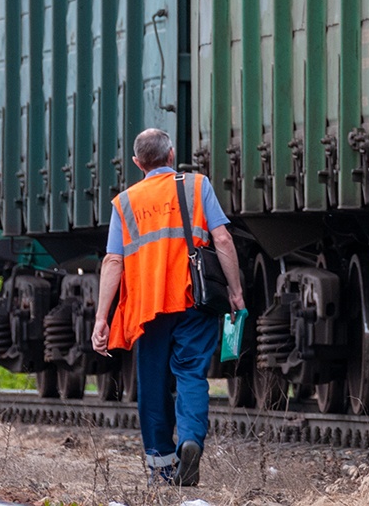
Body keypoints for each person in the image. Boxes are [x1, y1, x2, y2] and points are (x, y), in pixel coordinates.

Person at [91, 128, 245, 487]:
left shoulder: (125, 202)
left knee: (152, 385)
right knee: (191, 373)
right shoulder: (196, 185)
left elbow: (113, 261)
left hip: (147, 308)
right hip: (194, 299)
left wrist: (102, 317)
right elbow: (222, 237)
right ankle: (191, 439)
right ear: (171, 155)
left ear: (136, 163)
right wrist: (235, 293)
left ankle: (161, 467)